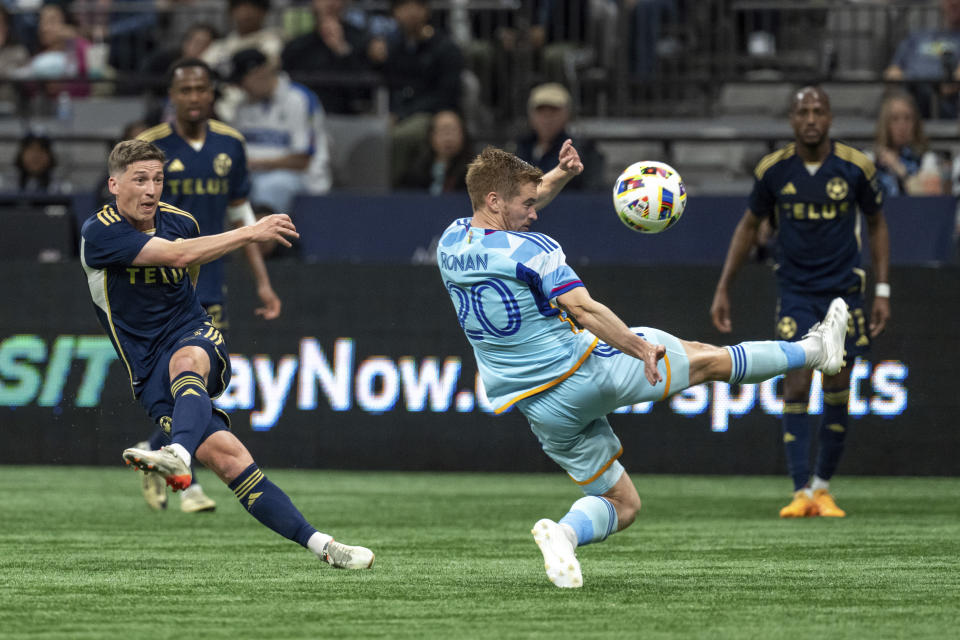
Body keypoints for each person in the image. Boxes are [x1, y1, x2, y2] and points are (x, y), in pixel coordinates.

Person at [437, 142, 850, 589]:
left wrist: (560, 175)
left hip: (539, 408)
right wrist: (637, 347)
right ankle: (816, 351)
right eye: (528, 204)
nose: (535, 213)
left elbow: (512, 213)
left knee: (622, 502)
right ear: (495, 201)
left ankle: (564, 534)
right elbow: (584, 310)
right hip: (585, 371)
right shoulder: (535, 250)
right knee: (707, 359)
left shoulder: (451, 243)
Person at [80, 139, 374, 570]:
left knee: (186, 362)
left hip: (190, 331)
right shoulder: (100, 232)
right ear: (114, 184)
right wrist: (251, 230)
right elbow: (180, 258)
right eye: (139, 180)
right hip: (145, 368)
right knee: (230, 460)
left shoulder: (181, 221)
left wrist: (193, 324)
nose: (150, 190)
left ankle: (176, 455)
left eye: (157, 180)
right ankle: (326, 547)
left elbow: (189, 271)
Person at [710, 86, 891, 519]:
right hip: (795, 291)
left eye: (818, 111)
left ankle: (824, 489)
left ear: (830, 117)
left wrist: (882, 290)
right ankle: (800, 491)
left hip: (844, 294)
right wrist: (724, 287)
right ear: (791, 120)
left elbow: (878, 225)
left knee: (836, 384)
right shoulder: (774, 171)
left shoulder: (855, 167)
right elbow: (748, 227)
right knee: (794, 381)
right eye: (803, 112)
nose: (811, 119)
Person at [135, 57, 283, 513]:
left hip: (211, 283)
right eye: (185, 90)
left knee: (195, 384)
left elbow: (242, 217)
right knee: (182, 380)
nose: (194, 97)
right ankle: (188, 481)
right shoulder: (150, 145)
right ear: (172, 96)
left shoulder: (230, 144)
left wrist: (262, 281)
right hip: (162, 287)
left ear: (212, 94)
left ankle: (160, 451)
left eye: (202, 89)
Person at [368, 0, 464, 187]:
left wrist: (402, 114)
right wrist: (375, 59)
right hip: (399, 111)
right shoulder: (394, 47)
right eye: (404, 7)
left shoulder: (444, 47)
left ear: (426, 11)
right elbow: (392, 83)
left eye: (417, 6)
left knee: (400, 136)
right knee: (369, 133)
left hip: (435, 112)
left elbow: (446, 94)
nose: (411, 12)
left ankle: (392, 190)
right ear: (395, 13)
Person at [229, 47, 332, 212]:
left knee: (269, 187)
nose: (242, 88)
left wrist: (254, 163)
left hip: (299, 177)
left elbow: (302, 160)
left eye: (242, 81)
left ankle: (263, 237)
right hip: (253, 174)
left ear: (259, 73)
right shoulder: (243, 105)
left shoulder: (299, 99)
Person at [281, 0, 374, 114]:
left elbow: (365, 91)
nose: (330, 3)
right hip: (304, 113)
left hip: (348, 116)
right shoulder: (298, 45)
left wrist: (341, 49)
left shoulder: (361, 40)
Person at [513, 82, 604, 191]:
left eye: (553, 111)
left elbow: (592, 195)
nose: (547, 118)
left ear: (567, 114)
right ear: (530, 115)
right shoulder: (518, 149)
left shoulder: (583, 150)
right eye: (541, 111)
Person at [883, 0, 960, 119]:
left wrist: (946, 86)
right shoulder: (917, 37)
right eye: (949, 2)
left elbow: (956, 80)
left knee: (922, 92)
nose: (953, 4)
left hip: (941, 100)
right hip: (908, 91)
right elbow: (893, 70)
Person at [868, 90, 945, 197]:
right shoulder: (870, 159)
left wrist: (899, 169)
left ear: (915, 123)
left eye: (908, 118)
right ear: (885, 124)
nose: (902, 126)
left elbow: (929, 203)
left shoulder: (926, 160)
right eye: (895, 119)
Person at [397, 109, 472, 193]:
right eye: (443, 131)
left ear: (463, 135)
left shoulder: (474, 173)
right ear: (431, 136)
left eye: (453, 131)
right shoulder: (416, 170)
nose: (448, 138)